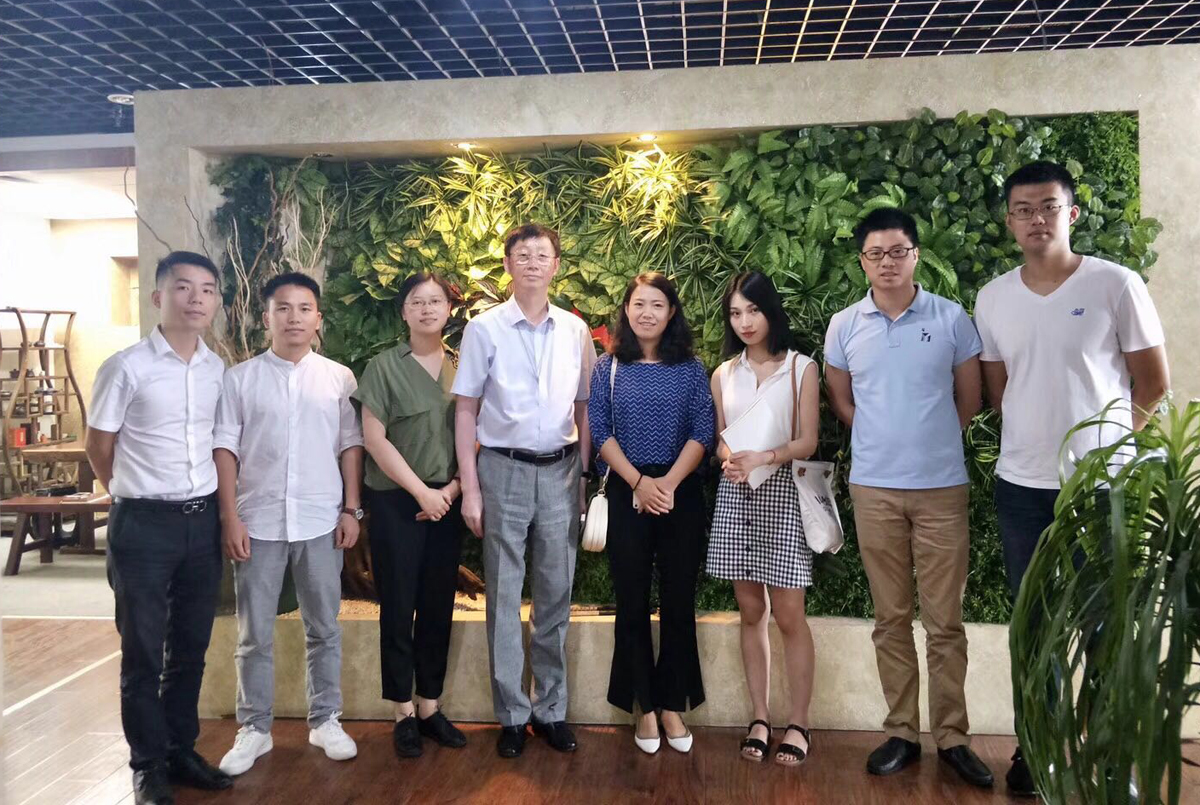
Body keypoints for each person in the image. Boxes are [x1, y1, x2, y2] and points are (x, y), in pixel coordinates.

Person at [975, 160, 1170, 797]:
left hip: (1100, 488)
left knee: (1105, 625)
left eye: (1048, 207)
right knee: (1035, 627)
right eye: (1023, 209)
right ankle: (1037, 750)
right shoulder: (993, 297)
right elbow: (999, 391)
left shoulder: (1116, 284)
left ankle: (1113, 760)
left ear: (1071, 213)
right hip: (1021, 487)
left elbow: (1153, 384)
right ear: (1009, 221)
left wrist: (1108, 449)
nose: (1037, 219)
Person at [824, 208, 993, 788]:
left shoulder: (950, 319)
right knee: (890, 617)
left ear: (916, 254)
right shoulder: (845, 325)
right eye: (875, 254)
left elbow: (969, 400)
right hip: (874, 488)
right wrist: (881, 435)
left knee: (945, 622)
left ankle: (953, 737)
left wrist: (930, 439)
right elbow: (842, 400)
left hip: (941, 488)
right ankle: (901, 731)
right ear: (862, 262)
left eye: (898, 251)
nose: (887, 262)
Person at [85, 251, 232, 805]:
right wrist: (128, 490)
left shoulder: (216, 369)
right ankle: (147, 765)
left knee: (191, 647)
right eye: (183, 287)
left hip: (201, 523)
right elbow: (99, 445)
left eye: (207, 289)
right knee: (144, 652)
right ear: (158, 297)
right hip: (142, 527)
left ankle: (180, 749)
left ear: (215, 302)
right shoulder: (126, 367)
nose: (196, 298)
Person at [452, 223, 597, 759]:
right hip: (501, 469)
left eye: (542, 254)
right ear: (508, 264)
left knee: (556, 592)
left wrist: (584, 478)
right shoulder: (483, 329)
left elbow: (584, 409)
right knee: (503, 593)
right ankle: (512, 715)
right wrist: (470, 489)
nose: (533, 262)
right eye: (522, 254)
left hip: (561, 470)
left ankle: (550, 710)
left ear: (556, 265)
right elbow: (466, 410)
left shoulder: (575, 331)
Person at [212, 272, 363, 776]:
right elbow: (225, 449)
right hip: (257, 522)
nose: (293, 317)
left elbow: (350, 446)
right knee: (254, 633)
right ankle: (254, 728)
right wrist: (230, 516)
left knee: (324, 627)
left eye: (304, 308)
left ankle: (325, 720)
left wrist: (351, 509)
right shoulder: (239, 379)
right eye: (283, 308)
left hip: (321, 519)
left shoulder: (339, 378)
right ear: (266, 317)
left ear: (318, 318)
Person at [587, 272, 714, 755]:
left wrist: (668, 485)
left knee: (679, 600)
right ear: (626, 309)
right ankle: (643, 705)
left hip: (680, 492)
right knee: (632, 600)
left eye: (657, 304)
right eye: (638, 304)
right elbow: (600, 430)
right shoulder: (608, 367)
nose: (647, 313)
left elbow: (702, 430)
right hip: (627, 490)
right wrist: (639, 483)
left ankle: (673, 704)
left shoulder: (691, 369)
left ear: (671, 312)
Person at [353, 272, 468, 760]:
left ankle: (430, 706)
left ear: (449, 310)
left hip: (449, 500)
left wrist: (452, 490)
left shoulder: (463, 366)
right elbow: (373, 438)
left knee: (439, 604)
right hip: (398, 502)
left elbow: (477, 433)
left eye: (435, 301)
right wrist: (422, 493)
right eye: (416, 302)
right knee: (398, 606)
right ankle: (402, 710)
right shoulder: (383, 367)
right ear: (403, 311)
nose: (426, 309)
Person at [706, 271, 819, 767]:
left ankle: (799, 722)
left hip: (783, 493)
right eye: (735, 313)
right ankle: (759, 717)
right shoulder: (723, 373)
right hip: (736, 496)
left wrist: (765, 457)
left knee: (790, 615)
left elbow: (808, 441)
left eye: (753, 310)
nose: (745, 321)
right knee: (750, 611)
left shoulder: (800, 368)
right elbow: (719, 439)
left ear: (770, 310)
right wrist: (729, 457)